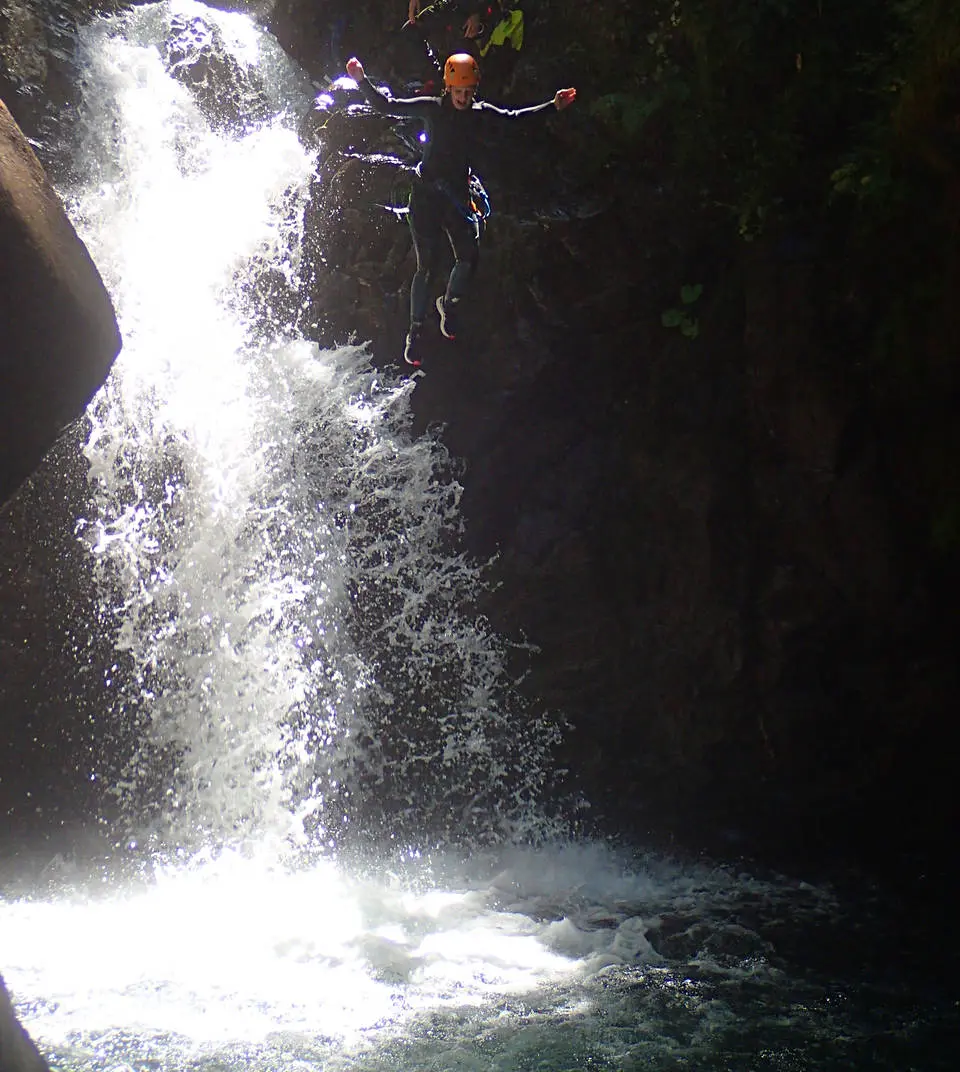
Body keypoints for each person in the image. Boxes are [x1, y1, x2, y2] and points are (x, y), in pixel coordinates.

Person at [345, 52, 576, 366]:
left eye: (468, 93)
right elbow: (390, 107)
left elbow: (514, 119)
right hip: (426, 195)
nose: (463, 98)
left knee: (468, 257)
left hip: (455, 194)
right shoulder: (432, 108)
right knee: (426, 265)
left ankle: (448, 306)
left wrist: (553, 106)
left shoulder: (479, 113)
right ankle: (415, 333)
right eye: (458, 92)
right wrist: (362, 81)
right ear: (448, 88)